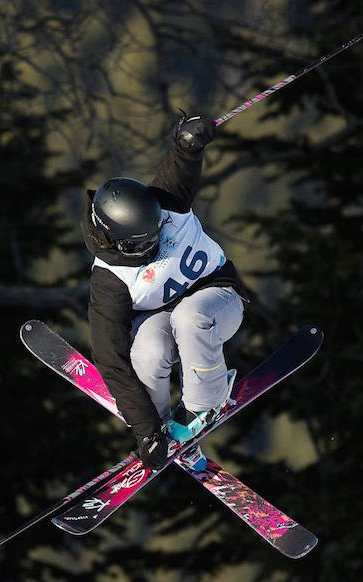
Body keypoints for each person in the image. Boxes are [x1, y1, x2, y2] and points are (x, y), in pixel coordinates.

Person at [81, 113, 247, 471]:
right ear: (119, 243)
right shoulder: (109, 282)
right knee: (147, 350)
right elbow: (111, 360)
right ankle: (166, 432)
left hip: (218, 297)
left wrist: (189, 139)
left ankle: (201, 408)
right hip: (164, 319)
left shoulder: (167, 203)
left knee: (191, 317)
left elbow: (183, 160)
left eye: (157, 234)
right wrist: (145, 431)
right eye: (145, 245)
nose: (156, 245)